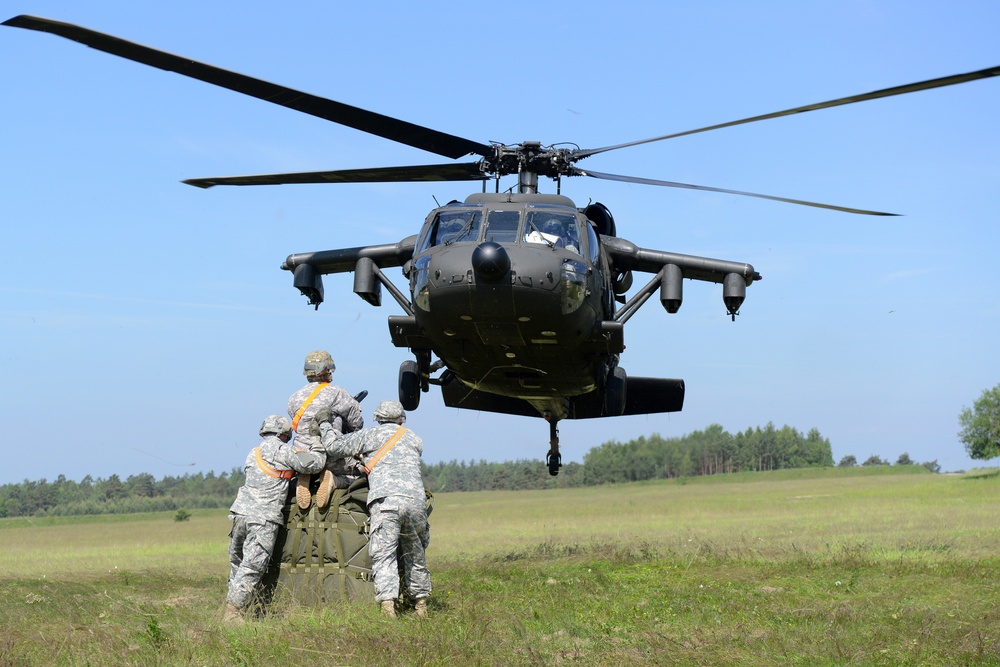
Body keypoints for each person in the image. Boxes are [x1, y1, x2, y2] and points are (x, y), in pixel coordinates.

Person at [319, 400, 431, 618]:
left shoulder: (370, 435)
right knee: (415, 553)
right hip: (416, 501)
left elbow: (334, 446)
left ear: (378, 419)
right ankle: (421, 605)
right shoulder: (414, 439)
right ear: (401, 419)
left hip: (386, 501)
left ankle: (388, 607)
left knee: (384, 554)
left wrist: (324, 423)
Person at [225, 415, 326, 622]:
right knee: (253, 566)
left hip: (240, 515)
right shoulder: (282, 450)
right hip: (263, 518)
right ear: (284, 433)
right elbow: (314, 464)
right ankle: (233, 613)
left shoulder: (253, 452)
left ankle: (231, 606)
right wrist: (316, 440)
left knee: (238, 565)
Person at [287, 350, 364, 507]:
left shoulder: (294, 398)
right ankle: (333, 480)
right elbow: (357, 424)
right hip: (330, 456)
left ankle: (304, 476)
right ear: (324, 371)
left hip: (302, 457)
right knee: (362, 474)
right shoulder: (336, 393)